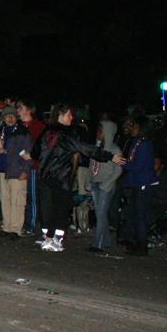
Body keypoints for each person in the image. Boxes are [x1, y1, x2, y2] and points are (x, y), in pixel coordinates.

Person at [33, 103, 125, 251]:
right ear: (60, 115)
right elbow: (85, 148)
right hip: (60, 177)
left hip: (45, 176)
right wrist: (108, 156)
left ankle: (48, 238)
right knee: (59, 209)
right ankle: (54, 239)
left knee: (47, 208)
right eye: (69, 115)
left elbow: (34, 153)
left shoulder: (46, 133)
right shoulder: (67, 134)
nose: (71, 118)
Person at [0, 105, 33, 238]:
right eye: (7, 116)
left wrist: (25, 170)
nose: (10, 119)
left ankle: (15, 229)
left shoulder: (23, 132)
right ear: (3, 118)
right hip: (2, 171)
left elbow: (29, 153)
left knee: (18, 201)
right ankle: (6, 226)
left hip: (17, 171)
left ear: (16, 118)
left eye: (13, 116)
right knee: (5, 200)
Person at [120, 117, 157, 256]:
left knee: (140, 216)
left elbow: (137, 166)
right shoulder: (137, 142)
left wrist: (121, 162)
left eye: (134, 126)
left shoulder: (145, 144)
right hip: (137, 182)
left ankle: (142, 246)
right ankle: (136, 243)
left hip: (143, 183)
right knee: (135, 214)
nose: (131, 129)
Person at [85, 121, 123, 252]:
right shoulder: (97, 148)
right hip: (96, 183)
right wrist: (88, 182)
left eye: (101, 132)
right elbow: (91, 166)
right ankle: (105, 240)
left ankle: (98, 244)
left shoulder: (114, 150)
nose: (98, 134)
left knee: (100, 214)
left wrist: (106, 185)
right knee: (100, 214)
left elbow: (118, 170)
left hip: (106, 185)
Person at [17, 100, 46, 235]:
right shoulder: (18, 126)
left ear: (28, 110)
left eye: (20, 108)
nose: (17, 111)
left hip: (33, 167)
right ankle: (19, 223)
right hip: (18, 166)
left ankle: (30, 225)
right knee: (19, 197)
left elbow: (41, 146)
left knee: (31, 197)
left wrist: (32, 156)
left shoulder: (37, 126)